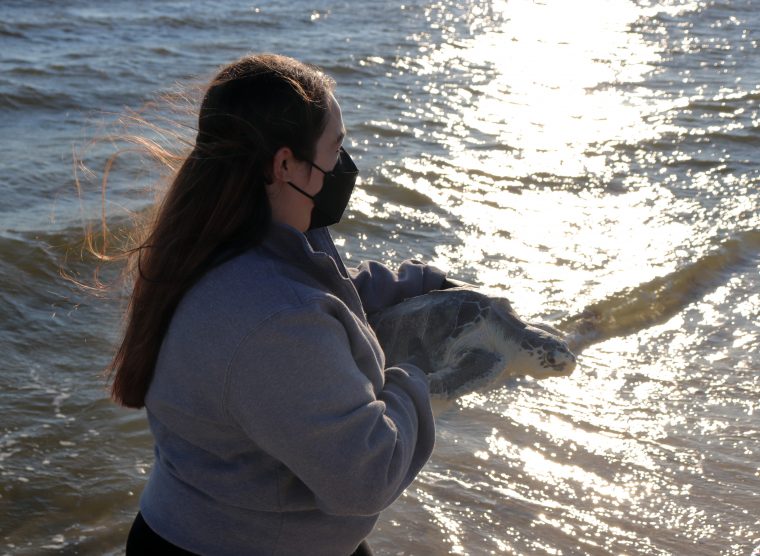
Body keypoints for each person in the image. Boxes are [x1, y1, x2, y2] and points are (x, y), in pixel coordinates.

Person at [111, 53, 451, 555]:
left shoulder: (225, 237)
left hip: (206, 525)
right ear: (285, 164)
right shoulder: (274, 321)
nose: (345, 164)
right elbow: (366, 476)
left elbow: (332, 302)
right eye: (336, 148)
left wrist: (417, 286)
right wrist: (415, 371)